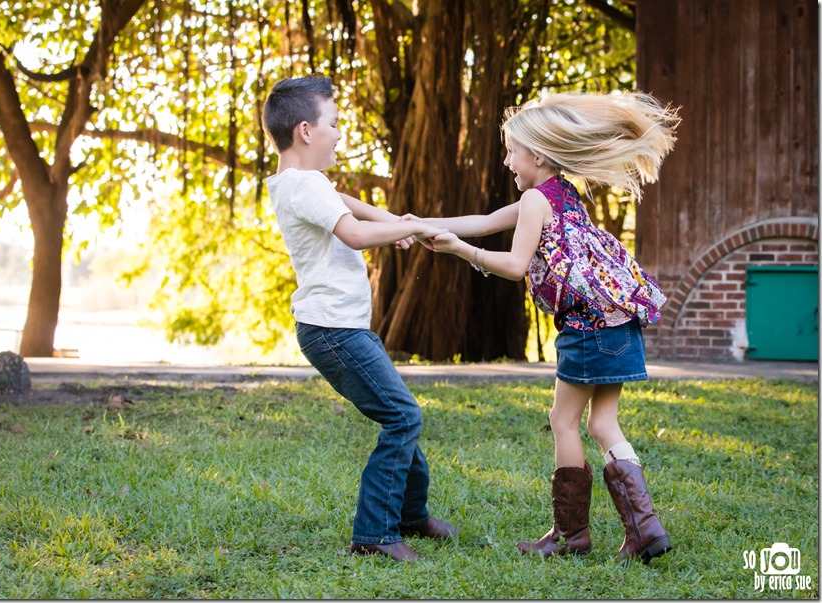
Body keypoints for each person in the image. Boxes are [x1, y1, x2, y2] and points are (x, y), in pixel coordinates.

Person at [418, 91, 680, 565]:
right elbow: (481, 221)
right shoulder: (563, 194)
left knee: (564, 421)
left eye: (511, 151)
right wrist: (415, 224)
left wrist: (460, 251)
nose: (506, 160)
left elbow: (516, 264)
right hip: (618, 322)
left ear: (536, 154)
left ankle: (570, 534)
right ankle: (645, 529)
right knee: (602, 423)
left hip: (584, 328)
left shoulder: (535, 199)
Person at [262, 74, 458, 562]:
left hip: (339, 328)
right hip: (332, 330)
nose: (339, 133)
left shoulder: (302, 183)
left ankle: (412, 514)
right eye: (333, 123)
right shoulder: (305, 186)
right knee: (402, 415)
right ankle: (374, 532)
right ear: (305, 130)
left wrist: (398, 222)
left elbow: (353, 208)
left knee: (401, 413)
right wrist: (393, 232)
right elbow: (351, 233)